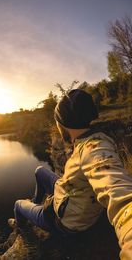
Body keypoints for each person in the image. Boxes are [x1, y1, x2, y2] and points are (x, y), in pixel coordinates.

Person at [9, 89, 132, 260]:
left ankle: (20, 227)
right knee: (40, 171)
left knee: (17, 205)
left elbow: (120, 192)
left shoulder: (94, 150)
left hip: (65, 223)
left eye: (57, 122)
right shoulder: (95, 139)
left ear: (63, 124)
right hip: (70, 196)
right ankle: (36, 202)